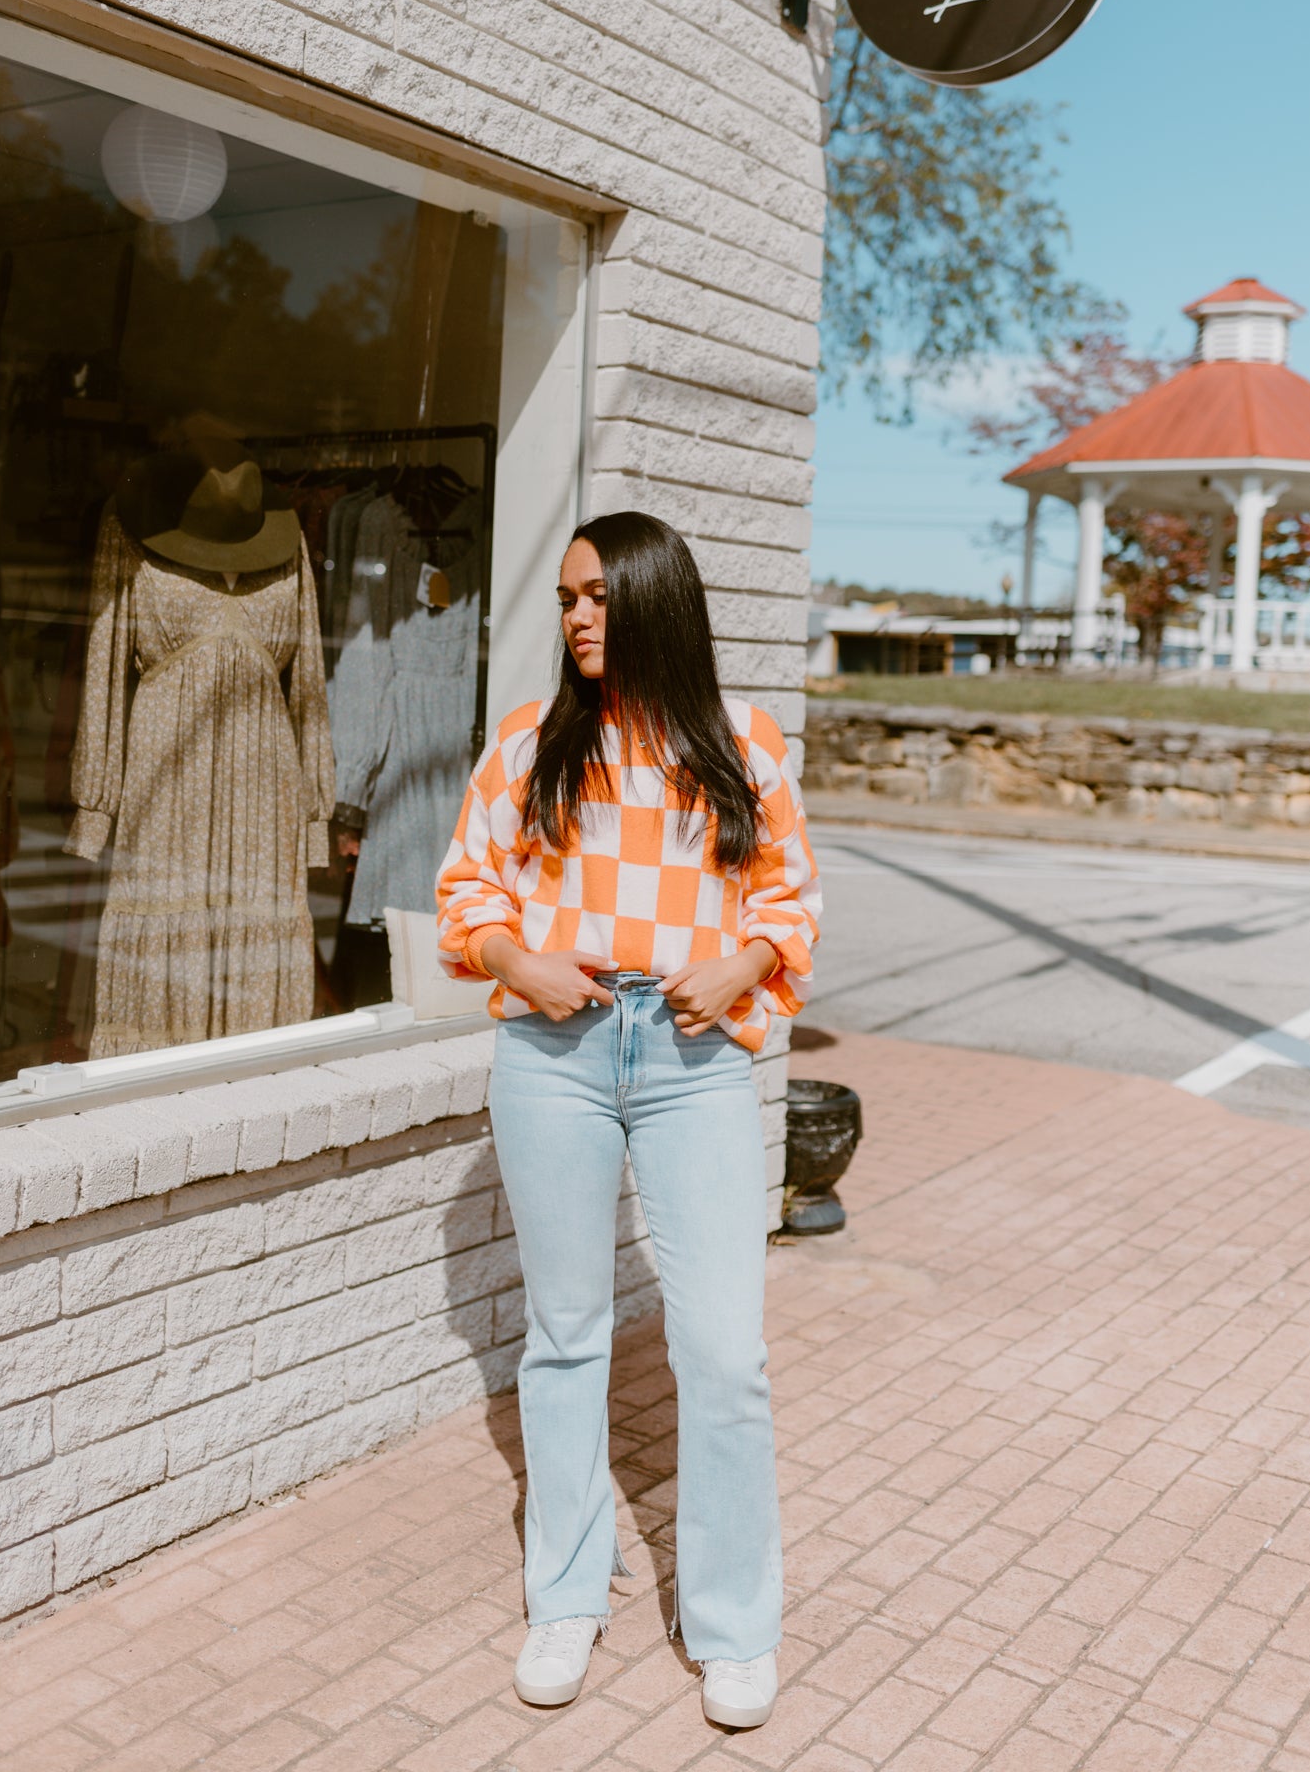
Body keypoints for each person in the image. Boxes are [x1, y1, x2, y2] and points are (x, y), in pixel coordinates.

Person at [436, 510, 821, 1731]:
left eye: (597, 594)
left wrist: (740, 962)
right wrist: (518, 958)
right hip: (551, 1049)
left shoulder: (739, 743)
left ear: (655, 598)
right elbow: (466, 890)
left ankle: (733, 1622)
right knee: (563, 1335)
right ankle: (565, 1591)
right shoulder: (530, 743)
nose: (578, 616)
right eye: (566, 599)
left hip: (693, 1053)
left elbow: (791, 896)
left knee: (723, 1351)